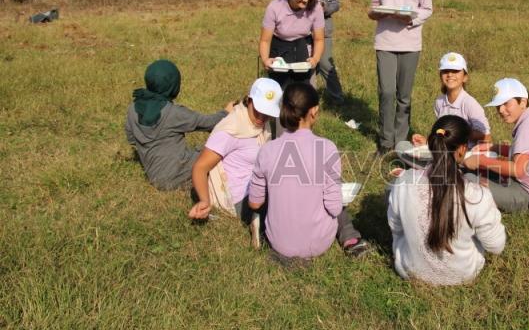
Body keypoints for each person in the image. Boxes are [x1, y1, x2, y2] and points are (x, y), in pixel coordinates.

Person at [248, 82, 370, 261]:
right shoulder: (327, 149)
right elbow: (334, 208)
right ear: (314, 111)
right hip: (317, 243)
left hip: (278, 242)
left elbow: (254, 204)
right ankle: (350, 238)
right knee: (335, 194)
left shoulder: (267, 150)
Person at [387, 115, 506, 285]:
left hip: (409, 268)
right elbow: (496, 246)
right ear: (462, 150)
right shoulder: (477, 196)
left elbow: (395, 227)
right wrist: (491, 205)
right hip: (462, 276)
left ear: (431, 144)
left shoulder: (403, 182)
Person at [187, 78, 282, 248]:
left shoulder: (262, 125)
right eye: (259, 111)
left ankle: (262, 221)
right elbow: (200, 167)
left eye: (267, 113)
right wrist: (204, 201)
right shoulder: (231, 128)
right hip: (238, 198)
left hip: (257, 185)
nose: (262, 117)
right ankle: (260, 222)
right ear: (249, 100)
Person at [367, 0, 433, 156]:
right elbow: (374, 4)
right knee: (386, 92)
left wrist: (410, 18)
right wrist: (376, 13)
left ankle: (401, 141)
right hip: (385, 42)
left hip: (410, 43)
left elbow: (427, 9)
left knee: (403, 96)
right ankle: (385, 142)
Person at [125, 59, 230, 191]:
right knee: (222, 148)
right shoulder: (174, 113)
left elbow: (131, 139)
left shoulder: (133, 108)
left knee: (200, 150)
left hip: (153, 176)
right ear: (174, 86)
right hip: (179, 175)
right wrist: (226, 112)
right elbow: (209, 123)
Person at [464, 78, 529, 213]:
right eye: (498, 106)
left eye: (506, 104)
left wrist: (481, 160)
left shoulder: (526, 127)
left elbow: (518, 169)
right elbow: (522, 154)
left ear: (523, 102)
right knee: (477, 175)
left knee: (468, 181)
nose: (501, 110)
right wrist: (492, 147)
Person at [259, 0, 325, 89]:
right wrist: (265, 59)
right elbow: (265, 40)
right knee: (279, 90)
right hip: (279, 48)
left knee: (303, 92)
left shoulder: (316, 8)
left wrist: (315, 59)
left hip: (303, 47)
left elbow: (319, 39)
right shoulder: (274, 7)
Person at [297, 0, 345, 104]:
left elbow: (335, 3)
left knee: (324, 63)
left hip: (323, 29)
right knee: (305, 65)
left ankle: (338, 98)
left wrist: (322, 10)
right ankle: (308, 98)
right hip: (301, 30)